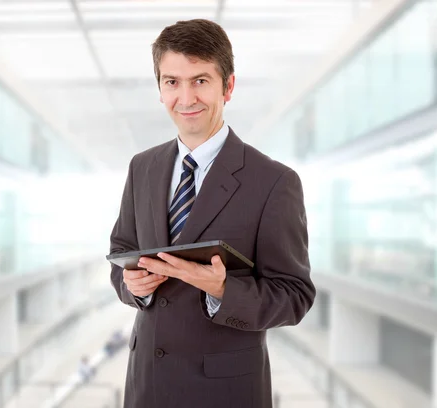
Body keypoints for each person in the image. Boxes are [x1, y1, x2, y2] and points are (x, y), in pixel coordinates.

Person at [109, 19, 316, 408]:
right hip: (147, 387)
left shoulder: (274, 182)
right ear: (160, 89)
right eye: (172, 82)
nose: (186, 97)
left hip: (225, 392)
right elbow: (121, 250)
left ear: (229, 86)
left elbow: (294, 296)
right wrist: (130, 285)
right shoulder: (142, 167)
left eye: (200, 80)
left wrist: (222, 290)